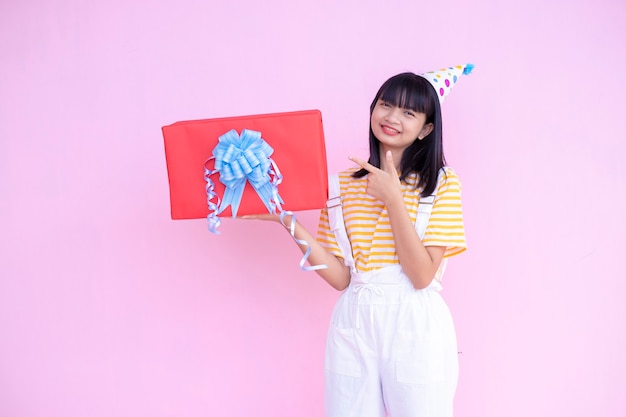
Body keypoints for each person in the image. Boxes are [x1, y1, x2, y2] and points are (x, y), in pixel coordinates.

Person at [245, 68, 469, 417]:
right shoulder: (341, 186)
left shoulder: (441, 184)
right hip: (354, 321)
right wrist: (287, 221)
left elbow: (422, 276)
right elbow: (342, 279)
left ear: (426, 128)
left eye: (409, 112)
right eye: (386, 105)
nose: (392, 117)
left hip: (415, 324)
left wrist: (394, 199)